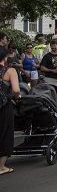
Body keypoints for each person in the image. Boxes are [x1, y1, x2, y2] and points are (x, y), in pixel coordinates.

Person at [0, 47, 20, 175]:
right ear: (6, 57)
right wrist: (15, 97)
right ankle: (1, 166)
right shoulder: (10, 70)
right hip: (3, 105)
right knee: (5, 133)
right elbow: (16, 90)